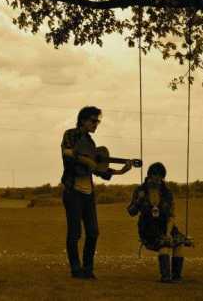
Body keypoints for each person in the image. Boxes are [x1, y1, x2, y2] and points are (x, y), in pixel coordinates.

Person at [61, 106, 132, 279]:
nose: (96, 124)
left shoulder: (91, 143)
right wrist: (86, 160)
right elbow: (67, 153)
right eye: (93, 121)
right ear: (83, 120)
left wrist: (121, 171)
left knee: (93, 232)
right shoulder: (71, 134)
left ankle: (88, 269)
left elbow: (99, 170)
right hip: (73, 191)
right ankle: (76, 269)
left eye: (97, 121)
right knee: (75, 233)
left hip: (88, 193)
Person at [127, 162, 188, 283]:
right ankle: (166, 277)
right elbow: (131, 212)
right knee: (164, 244)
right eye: (155, 176)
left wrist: (169, 233)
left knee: (179, 243)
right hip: (148, 227)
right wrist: (139, 200)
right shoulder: (140, 190)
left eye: (160, 177)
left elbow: (171, 215)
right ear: (149, 175)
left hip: (166, 225)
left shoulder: (167, 192)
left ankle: (176, 277)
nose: (157, 179)